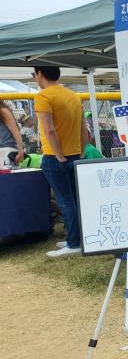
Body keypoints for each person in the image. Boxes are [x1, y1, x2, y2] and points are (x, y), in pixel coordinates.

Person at [33, 66, 87, 257]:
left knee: (65, 201)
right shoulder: (73, 96)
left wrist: (57, 154)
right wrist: (80, 151)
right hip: (74, 154)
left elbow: (49, 130)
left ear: (40, 74)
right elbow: (83, 129)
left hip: (55, 157)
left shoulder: (43, 97)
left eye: (34, 74)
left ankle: (74, 243)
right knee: (73, 199)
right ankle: (78, 238)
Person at [0, 100, 24, 166]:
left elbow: (16, 132)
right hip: (4, 149)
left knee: (7, 175)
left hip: (7, 150)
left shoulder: (3, 111)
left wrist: (21, 151)